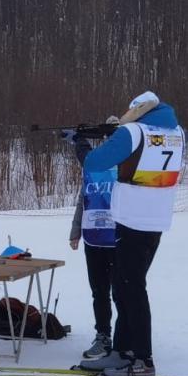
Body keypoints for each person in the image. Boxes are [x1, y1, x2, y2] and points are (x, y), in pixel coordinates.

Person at [78, 91, 184, 376]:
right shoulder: (177, 133)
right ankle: (123, 352)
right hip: (156, 219)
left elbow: (95, 162)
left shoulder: (132, 131)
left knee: (131, 289)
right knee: (124, 287)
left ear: (138, 109)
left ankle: (142, 360)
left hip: (131, 219)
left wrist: (85, 143)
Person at [63, 117, 119, 360]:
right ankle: (103, 336)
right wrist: (76, 230)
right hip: (94, 237)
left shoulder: (128, 163)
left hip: (120, 239)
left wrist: (78, 139)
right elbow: (83, 197)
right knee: (99, 292)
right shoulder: (93, 164)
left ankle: (127, 338)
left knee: (123, 292)